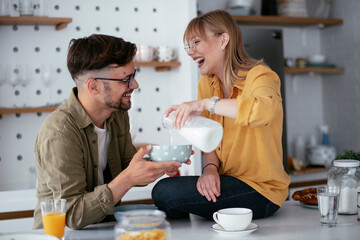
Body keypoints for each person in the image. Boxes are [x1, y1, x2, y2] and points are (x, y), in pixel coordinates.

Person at [33, 34, 187, 230]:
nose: (135, 85)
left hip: (102, 229)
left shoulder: (117, 115)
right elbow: (71, 215)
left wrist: (162, 164)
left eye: (134, 75)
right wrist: (129, 178)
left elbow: (127, 166)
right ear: (93, 86)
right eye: (126, 79)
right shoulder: (59, 134)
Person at [152, 10, 291, 220]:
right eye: (188, 45)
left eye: (196, 42)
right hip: (227, 182)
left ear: (224, 39)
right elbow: (208, 139)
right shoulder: (207, 84)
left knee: (165, 192)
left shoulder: (261, 76)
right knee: (166, 191)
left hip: (262, 190)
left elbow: (264, 110)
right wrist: (209, 169)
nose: (190, 51)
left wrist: (208, 104)